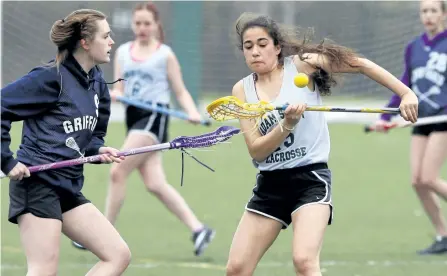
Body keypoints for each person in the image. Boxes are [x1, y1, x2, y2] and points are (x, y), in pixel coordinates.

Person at [225, 12, 418, 276]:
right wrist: (287, 125)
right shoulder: (242, 90)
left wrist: (405, 93)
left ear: (277, 47)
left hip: (310, 179)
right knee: (236, 269)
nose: (255, 52)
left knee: (304, 261)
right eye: (249, 47)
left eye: (262, 44)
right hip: (270, 184)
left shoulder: (302, 65)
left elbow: (359, 64)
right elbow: (257, 151)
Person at [72, 2, 215, 256]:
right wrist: (116, 94)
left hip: (154, 118)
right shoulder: (124, 51)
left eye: (147, 23)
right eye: (138, 23)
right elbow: (121, 89)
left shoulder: (164, 54)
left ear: (156, 25)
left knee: (117, 170)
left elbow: (179, 89)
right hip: (134, 118)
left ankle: (100, 233)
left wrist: (192, 111)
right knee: (155, 183)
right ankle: (199, 229)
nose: (142, 28)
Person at [1, 9, 132, 275]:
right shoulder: (51, 77)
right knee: (43, 270)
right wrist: (6, 160)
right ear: (85, 43)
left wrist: (97, 149)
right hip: (37, 185)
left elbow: (93, 135)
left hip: (67, 186)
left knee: (117, 255)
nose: (111, 42)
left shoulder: (97, 83)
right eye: (106, 36)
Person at [372, 0, 447, 255]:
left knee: (429, 177)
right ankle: (443, 235)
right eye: (424, 11)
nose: (428, 16)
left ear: (443, 14)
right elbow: (405, 84)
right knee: (417, 181)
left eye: (433, 11)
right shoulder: (413, 47)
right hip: (421, 118)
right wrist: (385, 116)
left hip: (443, 119)